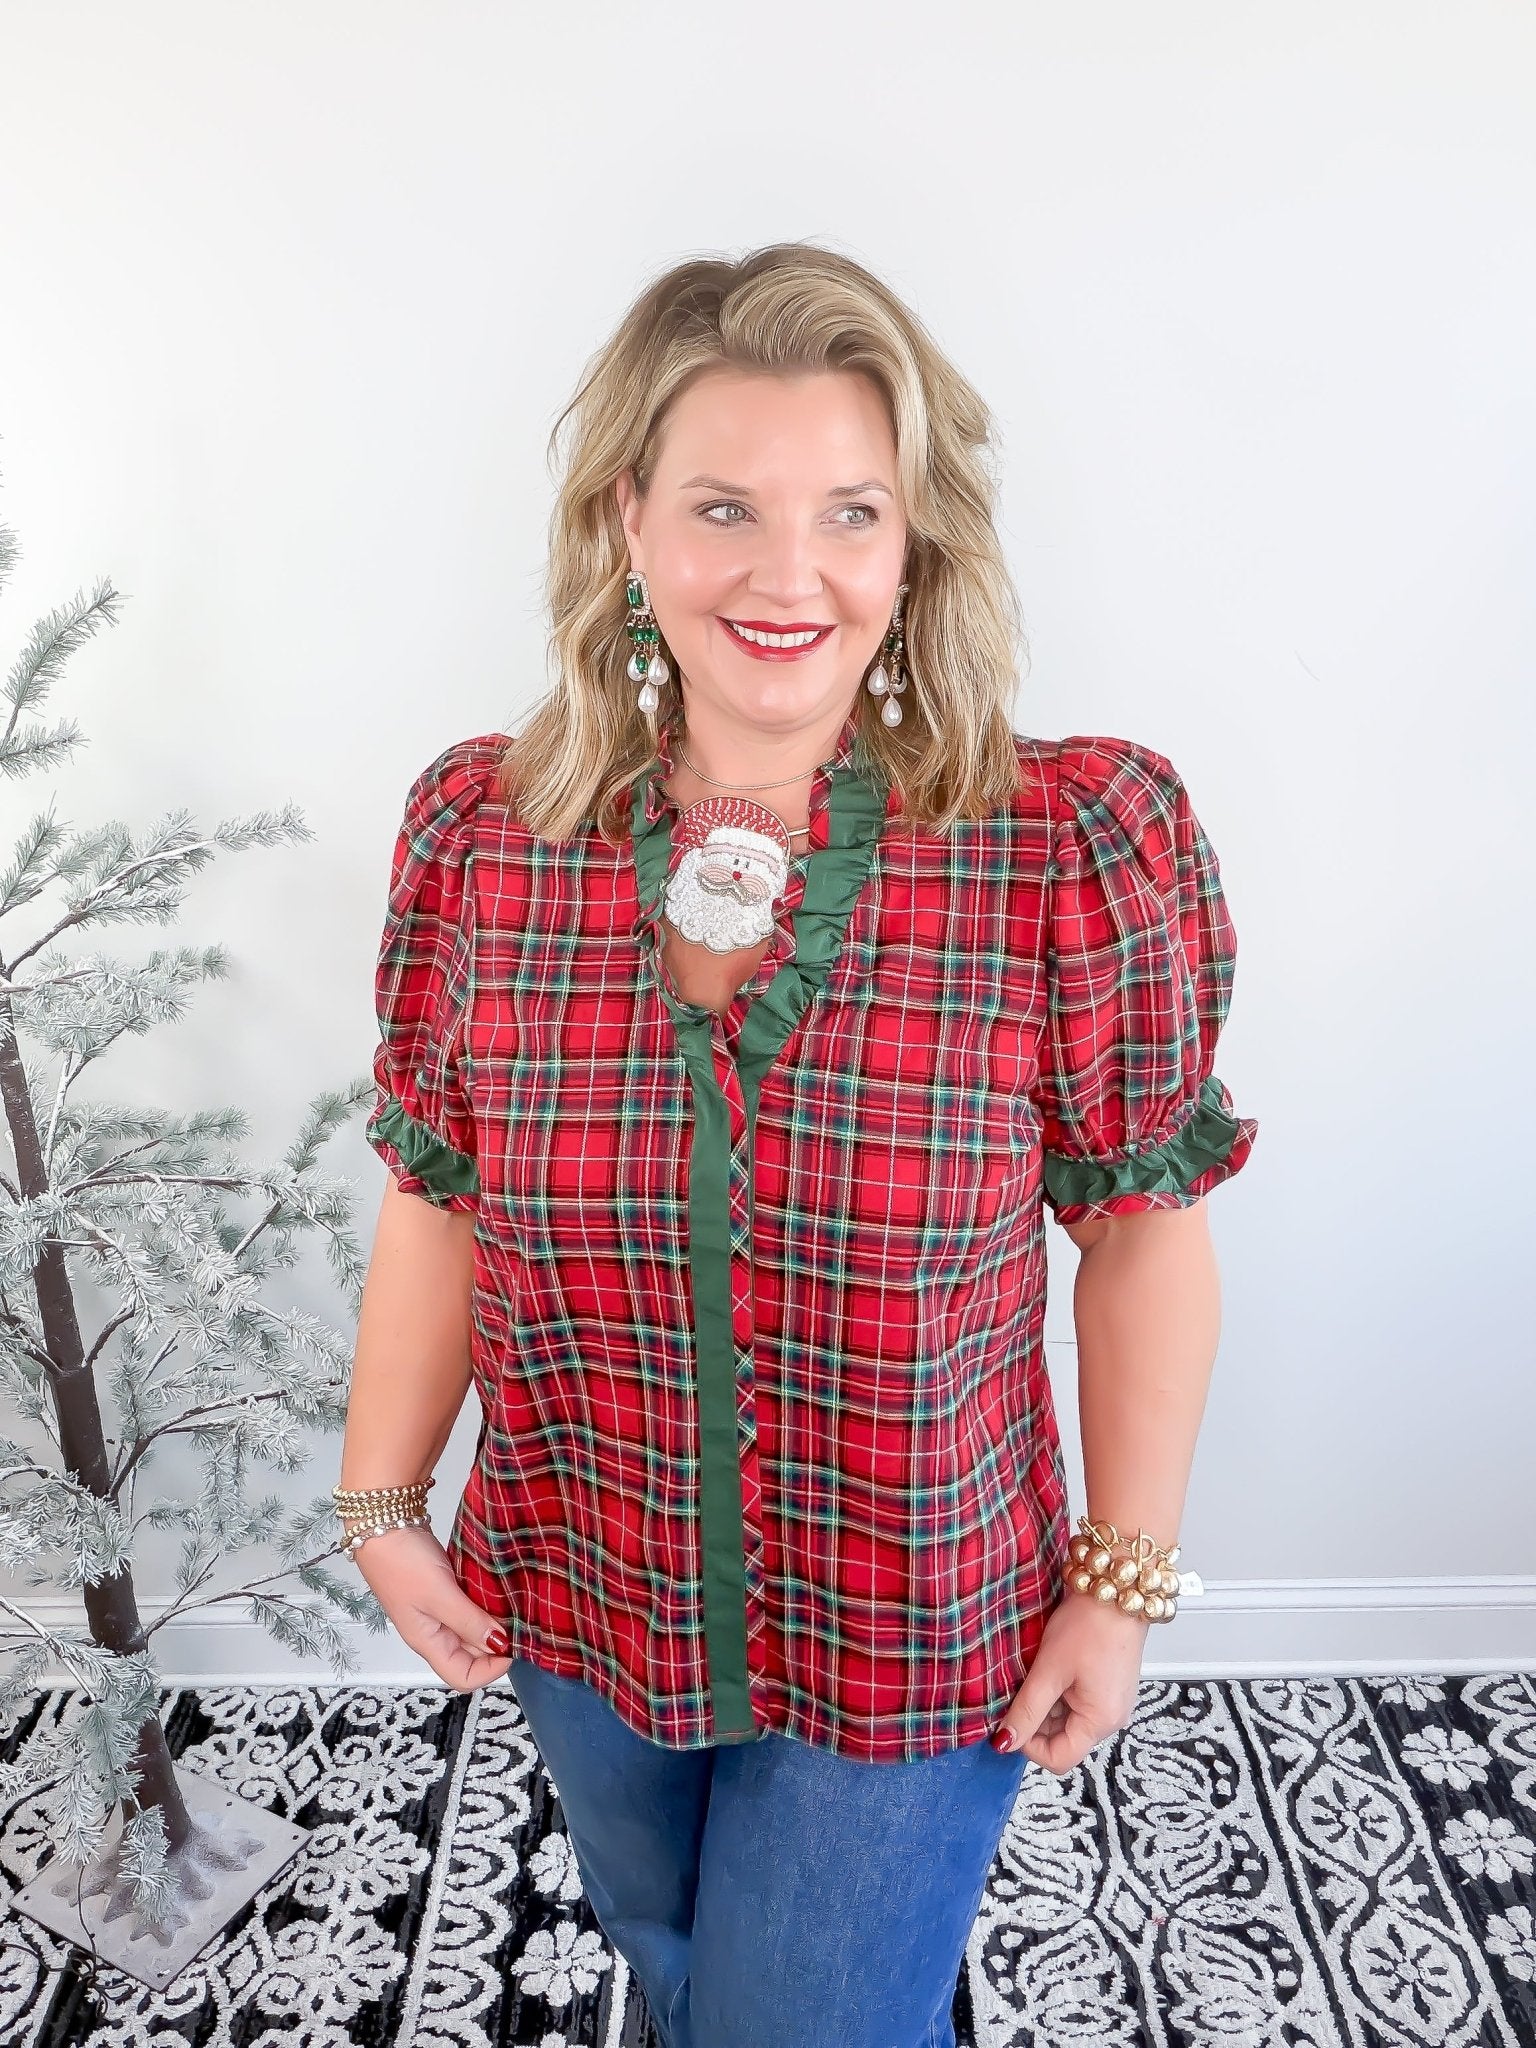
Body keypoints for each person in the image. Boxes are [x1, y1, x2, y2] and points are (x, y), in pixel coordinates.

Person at [335, 241, 1259, 2048]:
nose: (788, 574)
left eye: (850, 512)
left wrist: (1123, 1584)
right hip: (581, 1581)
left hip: (915, 1621)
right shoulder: (484, 839)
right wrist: (382, 1502)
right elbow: (437, 1194)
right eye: (724, 508)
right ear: (629, 523)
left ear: (914, 548)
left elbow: (1142, 1231)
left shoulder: (1064, 851)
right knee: (672, 1954)